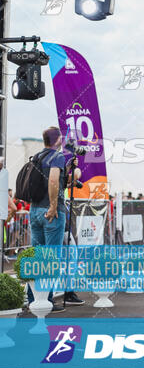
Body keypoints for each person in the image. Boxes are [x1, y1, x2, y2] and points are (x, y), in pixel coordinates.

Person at [28, 126, 84, 310]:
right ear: (58, 140)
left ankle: (34, 299)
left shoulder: (37, 157)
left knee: (38, 257)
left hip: (35, 210)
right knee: (51, 258)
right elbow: (53, 180)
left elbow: (56, 181)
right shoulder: (57, 156)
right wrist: (53, 206)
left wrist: (69, 172)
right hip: (51, 212)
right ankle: (47, 302)